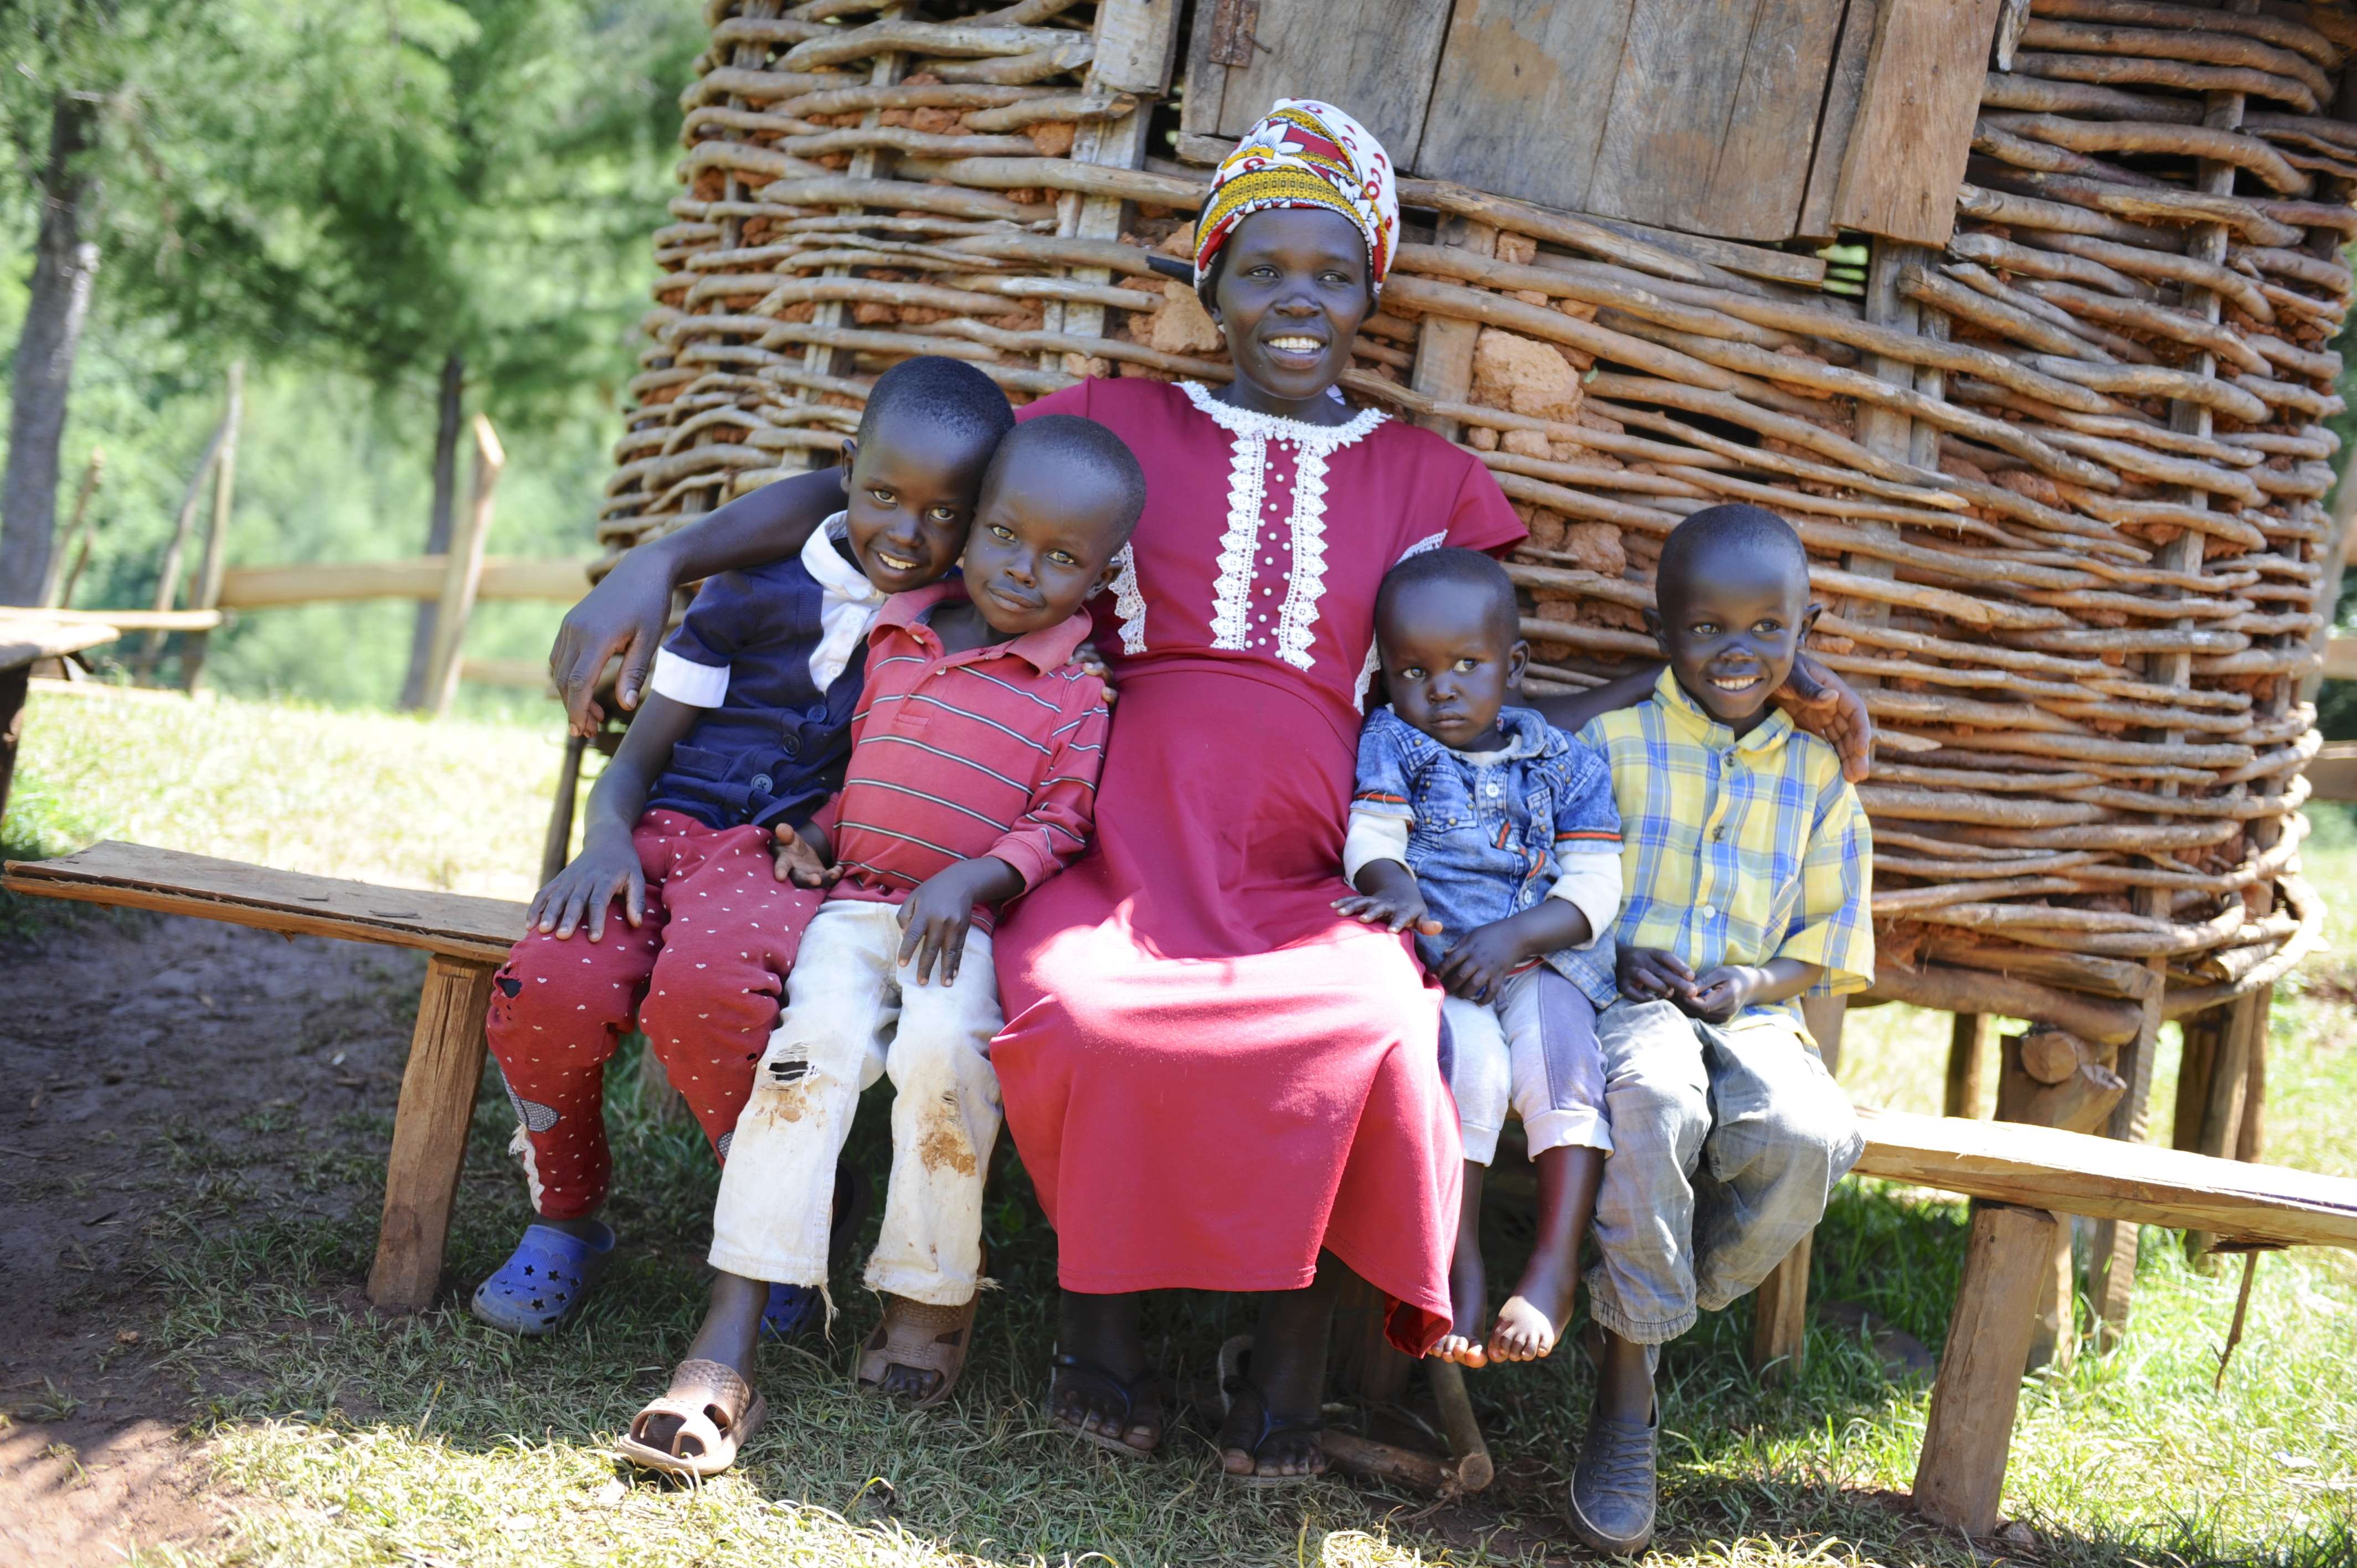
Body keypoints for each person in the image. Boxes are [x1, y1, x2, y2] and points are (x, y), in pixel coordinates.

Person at [547, 101, 1871, 1487]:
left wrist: (1765, 673)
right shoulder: (1112, 429)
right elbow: (884, 493)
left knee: (1367, 1036)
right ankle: (1097, 1355)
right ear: (1208, 286)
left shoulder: (1428, 479)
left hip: (1314, 877)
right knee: (1082, 1018)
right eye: (1260, 271)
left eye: (1334, 274)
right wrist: (669, 559)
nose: (1297, 303)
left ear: (1374, 290)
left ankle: (1283, 1386)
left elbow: (1492, 698)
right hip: (1113, 856)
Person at [614, 415, 1141, 1478]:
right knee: (805, 1062)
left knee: (946, 1065)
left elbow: (1061, 824)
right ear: (976, 521)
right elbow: (865, 766)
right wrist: (819, 832)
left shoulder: (1078, 693)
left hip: (969, 926)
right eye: (1003, 534)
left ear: (1101, 574)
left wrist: (977, 876)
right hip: (855, 909)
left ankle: (926, 1297)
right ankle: (730, 1332)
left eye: (1062, 559)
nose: (1023, 571)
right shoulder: (899, 633)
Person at [469, 357, 1013, 1337]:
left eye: (944, 513)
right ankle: (564, 1219)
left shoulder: (952, 633)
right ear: (847, 469)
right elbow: (640, 758)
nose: (907, 532)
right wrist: (602, 838)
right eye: (885, 495)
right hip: (658, 829)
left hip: (779, 861)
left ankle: (780, 1218)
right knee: (548, 989)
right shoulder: (754, 591)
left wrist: (820, 833)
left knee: (711, 996)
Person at [1557, 503, 1874, 1554]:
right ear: (1663, 634)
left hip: (1753, 1010)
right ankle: (1624, 1390)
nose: (1735, 653)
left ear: (1804, 631)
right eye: (1705, 630)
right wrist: (1613, 952)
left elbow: (1830, 937)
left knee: (1808, 1139)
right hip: (1627, 998)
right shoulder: (1612, 741)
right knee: (1655, 1100)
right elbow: (1558, 878)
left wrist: (1753, 978)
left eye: (1766, 630)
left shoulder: (1820, 777)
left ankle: (1643, 1305)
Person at [1334, 548, 1623, 1370]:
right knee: (1476, 1070)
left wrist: (1518, 938)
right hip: (1441, 966)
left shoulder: (1564, 762)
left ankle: (1552, 1264)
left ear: (1516, 666)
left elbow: (1599, 881)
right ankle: (1456, 1262)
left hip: (1538, 960)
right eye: (1413, 670)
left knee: (1565, 1061)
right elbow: (1374, 837)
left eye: (1468, 665)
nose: (1442, 687)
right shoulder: (1396, 742)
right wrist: (1401, 894)